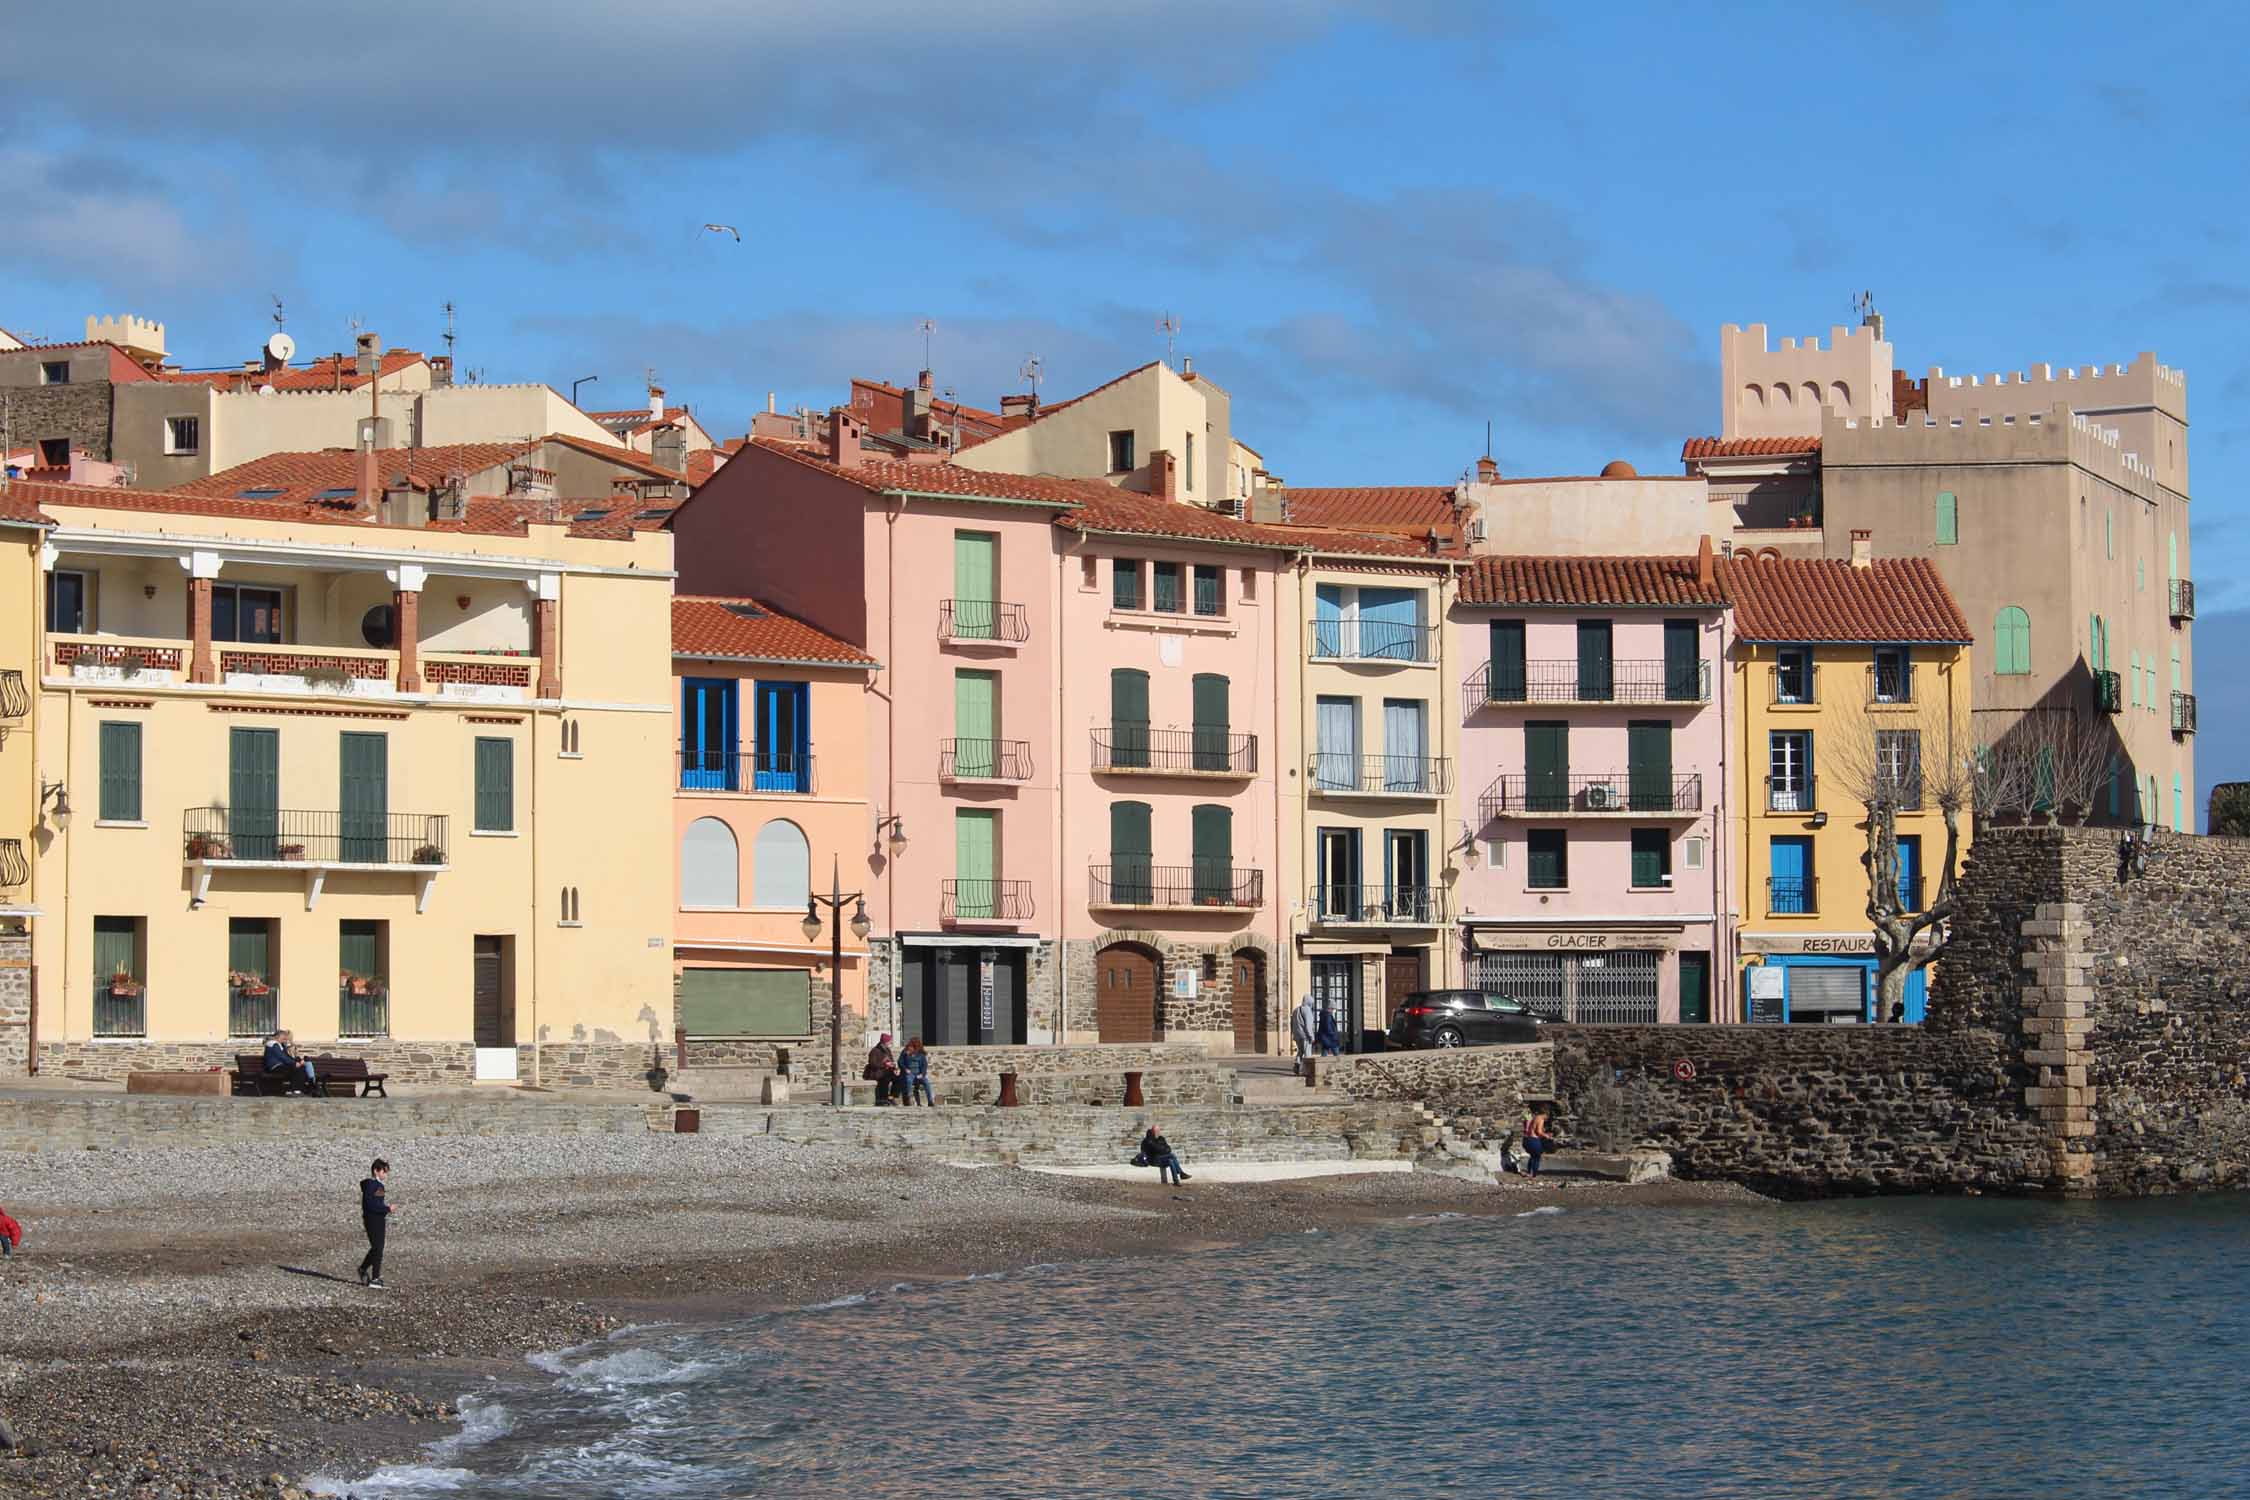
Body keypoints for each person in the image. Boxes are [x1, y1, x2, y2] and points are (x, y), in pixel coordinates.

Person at [358, 1158, 395, 1289]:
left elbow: (376, 1204)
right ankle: (375, 1278)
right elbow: (371, 1205)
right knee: (378, 1248)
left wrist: (385, 1209)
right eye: (384, 1172)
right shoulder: (374, 1186)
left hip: (377, 1219)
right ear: (376, 1171)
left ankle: (363, 1269)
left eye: (386, 1172)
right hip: (373, 1220)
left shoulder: (377, 1186)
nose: (386, 1175)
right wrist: (387, 1209)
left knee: (377, 1248)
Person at [262, 1030, 320, 1094]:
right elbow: (281, 1056)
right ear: (278, 1037)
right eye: (283, 1038)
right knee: (298, 1068)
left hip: (281, 1065)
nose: (284, 1040)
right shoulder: (273, 1044)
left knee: (301, 1067)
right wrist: (294, 1063)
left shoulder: (279, 1044)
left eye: (285, 1039)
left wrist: (297, 1061)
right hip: (275, 1066)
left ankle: (299, 1089)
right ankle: (300, 1088)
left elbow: (286, 1057)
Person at [1521, 1104, 1560, 1179]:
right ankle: (1533, 1175)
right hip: (1534, 1140)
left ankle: (1529, 1173)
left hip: (1528, 1139)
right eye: (1547, 1117)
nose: (1547, 1119)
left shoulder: (1534, 1117)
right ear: (1546, 1114)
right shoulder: (1541, 1119)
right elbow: (1538, 1132)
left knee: (1532, 1157)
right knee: (1536, 1158)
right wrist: (1547, 1136)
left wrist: (1544, 1133)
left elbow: (1531, 1128)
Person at [863, 1033, 901, 1105]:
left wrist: (895, 1068)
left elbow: (891, 1061)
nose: (890, 1043)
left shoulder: (887, 1050)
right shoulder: (875, 1051)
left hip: (887, 1071)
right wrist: (884, 1064)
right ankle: (883, 1099)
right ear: (885, 1042)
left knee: (898, 1077)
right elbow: (873, 1064)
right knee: (885, 1078)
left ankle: (891, 1097)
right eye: (889, 1041)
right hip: (877, 1072)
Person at [900, 1037, 933, 1107]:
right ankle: (908, 1100)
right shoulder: (906, 1051)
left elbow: (924, 1065)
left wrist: (922, 1074)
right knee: (908, 1081)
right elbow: (900, 1062)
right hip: (910, 1073)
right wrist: (905, 1069)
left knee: (927, 1083)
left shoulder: (921, 1053)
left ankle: (930, 1101)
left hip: (919, 1073)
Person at [1291, 996, 1318, 1075]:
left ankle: (1297, 1065)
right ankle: (1307, 1070)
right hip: (1305, 1035)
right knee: (1307, 1053)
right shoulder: (1307, 1010)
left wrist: (1294, 1033)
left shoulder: (1295, 1010)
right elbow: (1308, 1025)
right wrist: (1311, 1036)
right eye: (1312, 1002)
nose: (1312, 1004)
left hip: (1297, 1035)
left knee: (1300, 1051)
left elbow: (1292, 1023)